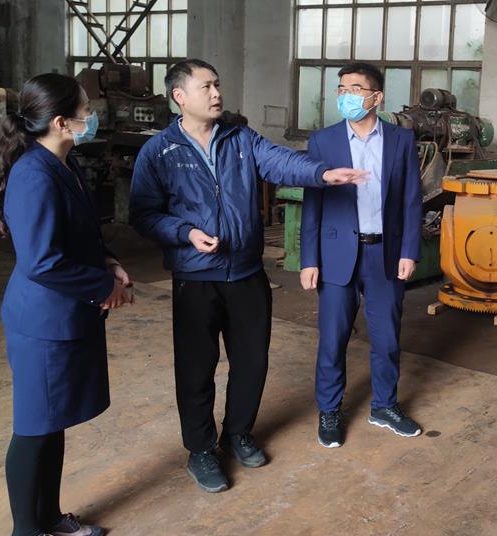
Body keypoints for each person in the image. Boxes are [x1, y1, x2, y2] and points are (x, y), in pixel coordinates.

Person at [129, 58, 365, 493]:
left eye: (218, 84)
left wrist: (322, 173)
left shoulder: (240, 139)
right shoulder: (159, 151)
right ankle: (201, 449)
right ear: (179, 96)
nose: (217, 93)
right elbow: (143, 214)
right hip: (196, 277)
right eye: (206, 87)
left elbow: (281, 162)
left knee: (252, 362)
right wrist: (185, 233)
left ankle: (237, 433)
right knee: (196, 369)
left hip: (247, 274)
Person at [0, 73, 134, 536]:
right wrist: (104, 287)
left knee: (52, 422)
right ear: (60, 122)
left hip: (65, 316)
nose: (93, 117)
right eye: (86, 110)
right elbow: (43, 262)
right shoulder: (34, 174)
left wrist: (109, 262)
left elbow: (81, 237)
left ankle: (47, 515)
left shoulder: (63, 165)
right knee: (34, 427)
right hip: (43, 323)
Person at [300, 62, 424, 448]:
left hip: (384, 254)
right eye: (341, 89)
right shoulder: (324, 142)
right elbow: (313, 205)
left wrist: (409, 251)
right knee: (332, 339)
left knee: (386, 339)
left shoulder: (401, 141)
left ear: (376, 97)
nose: (345, 96)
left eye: (355, 88)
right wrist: (309, 259)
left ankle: (384, 406)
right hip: (337, 254)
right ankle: (330, 410)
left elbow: (411, 200)